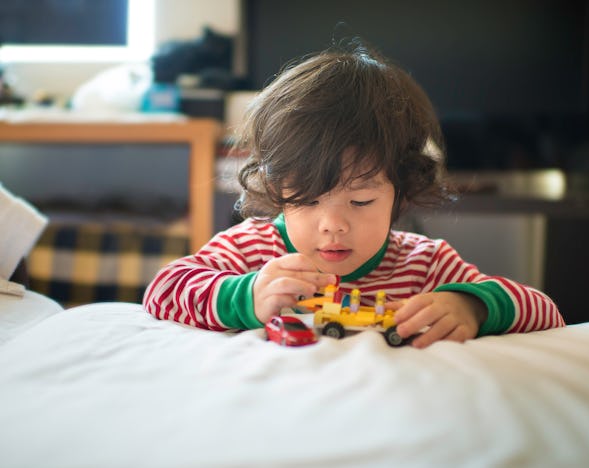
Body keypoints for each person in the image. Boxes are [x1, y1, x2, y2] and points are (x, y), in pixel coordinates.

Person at [143, 42, 565, 348]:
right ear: (277, 190)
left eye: (360, 201)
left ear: (401, 192)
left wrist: (473, 307)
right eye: (307, 200)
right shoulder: (253, 248)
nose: (333, 225)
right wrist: (246, 296)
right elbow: (162, 291)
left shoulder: (425, 264)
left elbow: (547, 311)